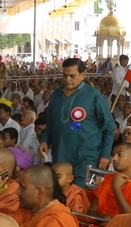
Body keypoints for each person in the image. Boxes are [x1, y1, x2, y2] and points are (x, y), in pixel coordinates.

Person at [39, 58, 116, 186]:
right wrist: (45, 140)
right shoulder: (56, 94)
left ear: (82, 75)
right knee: (60, 189)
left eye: (72, 76)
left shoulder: (93, 95)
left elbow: (109, 127)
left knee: (80, 191)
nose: (67, 79)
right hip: (60, 153)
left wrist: (105, 154)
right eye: (65, 75)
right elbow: (51, 121)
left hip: (86, 156)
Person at [89, 142, 131, 219]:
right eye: (113, 155)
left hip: (121, 226)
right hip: (98, 225)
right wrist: (106, 218)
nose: (114, 159)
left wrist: (116, 188)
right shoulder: (108, 178)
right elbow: (91, 212)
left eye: (120, 155)